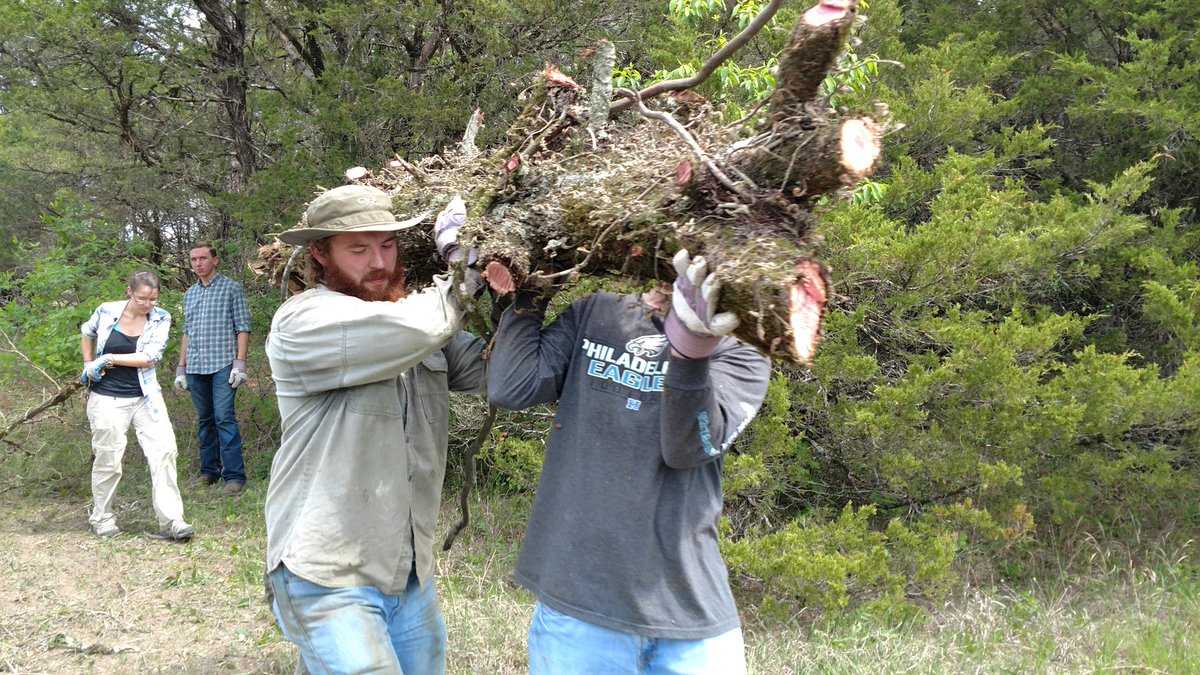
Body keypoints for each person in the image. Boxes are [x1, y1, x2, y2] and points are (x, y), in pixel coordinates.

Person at [487, 249, 771, 674]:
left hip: (688, 615)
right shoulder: (599, 312)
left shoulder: (742, 350)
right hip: (579, 604)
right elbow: (513, 386)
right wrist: (528, 294)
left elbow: (688, 447)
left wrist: (692, 353)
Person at [263, 185, 486, 674]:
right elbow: (421, 327)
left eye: (387, 245)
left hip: (408, 573)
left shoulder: (409, 316)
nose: (379, 261)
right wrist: (466, 268)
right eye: (359, 249)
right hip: (328, 574)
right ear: (321, 254)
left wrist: (524, 295)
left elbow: (493, 372)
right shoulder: (304, 321)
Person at [80, 270, 194, 541]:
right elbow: (87, 332)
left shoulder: (161, 317)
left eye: (153, 298)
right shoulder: (107, 311)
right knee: (109, 457)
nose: (148, 304)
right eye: (143, 298)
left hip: (145, 398)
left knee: (165, 451)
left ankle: (172, 521)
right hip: (107, 398)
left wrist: (107, 358)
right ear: (129, 292)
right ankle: (102, 517)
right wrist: (88, 363)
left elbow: (150, 357)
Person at [174, 241, 252, 496]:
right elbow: (187, 332)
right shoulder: (190, 294)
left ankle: (234, 476)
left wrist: (240, 363)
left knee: (224, 418)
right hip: (196, 366)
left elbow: (242, 327)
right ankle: (209, 472)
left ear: (214, 260)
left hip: (222, 364)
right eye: (194, 259)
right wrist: (181, 368)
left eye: (203, 258)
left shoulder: (232, 288)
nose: (198, 263)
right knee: (205, 420)